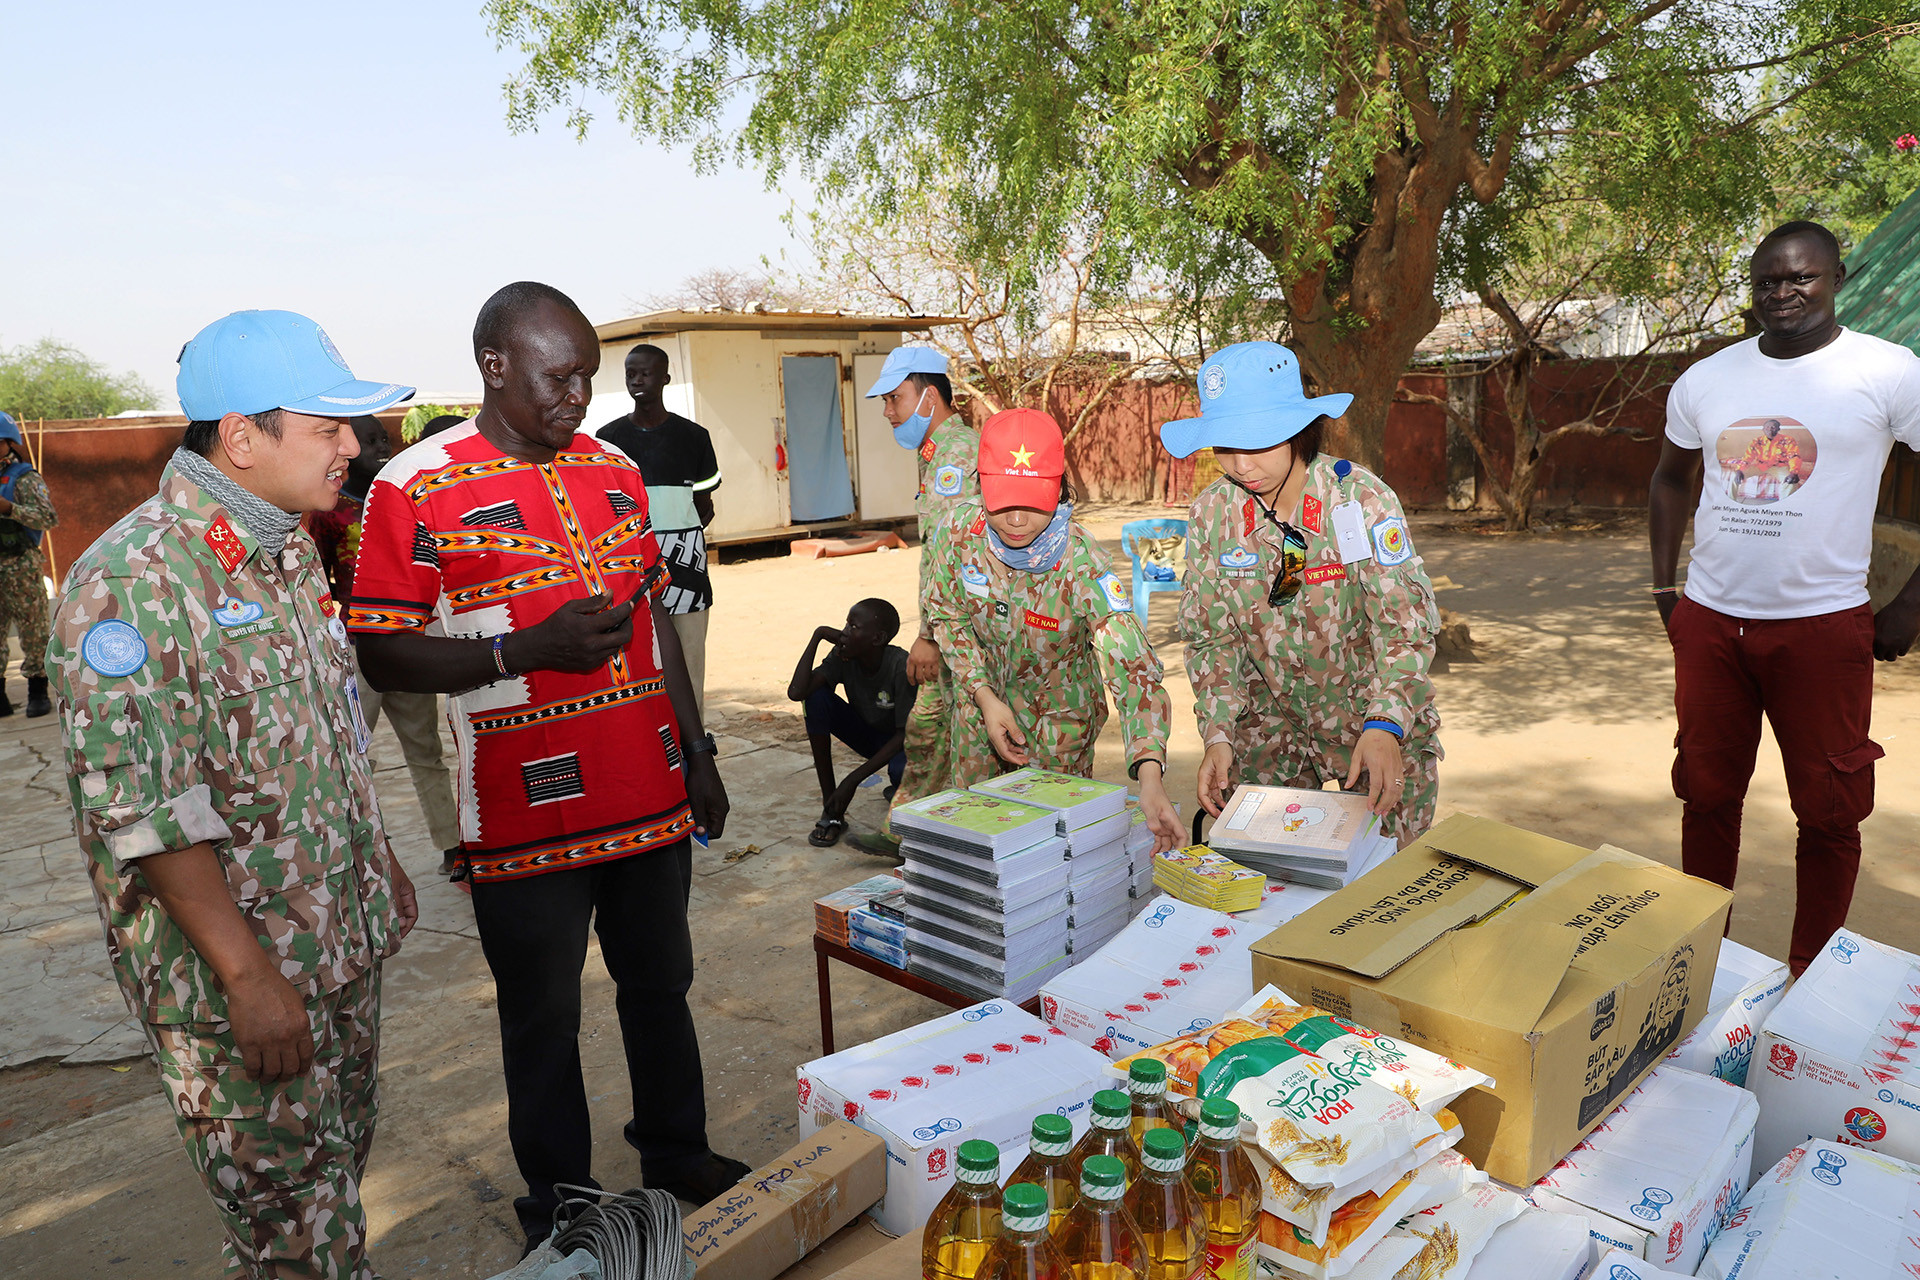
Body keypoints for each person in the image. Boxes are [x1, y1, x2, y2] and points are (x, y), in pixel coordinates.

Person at [349, 281, 748, 1249]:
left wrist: (696, 752)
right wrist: (519, 651)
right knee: (543, 1019)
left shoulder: (612, 465)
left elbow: (652, 613)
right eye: (557, 376)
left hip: (650, 787)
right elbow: (381, 647)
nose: (578, 395)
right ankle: (560, 1200)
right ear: (495, 365)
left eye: (587, 375)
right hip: (522, 814)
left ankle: (675, 1147)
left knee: (662, 982)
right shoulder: (415, 484)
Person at [46, 310, 419, 1278]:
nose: (353, 444)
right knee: (290, 1231)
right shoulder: (134, 581)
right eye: (328, 425)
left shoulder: (282, 548)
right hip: (240, 978)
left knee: (333, 1186)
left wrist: (373, 861)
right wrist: (250, 980)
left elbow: (321, 729)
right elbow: (147, 811)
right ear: (242, 436)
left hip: (333, 940)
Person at [1650, 219, 1920, 976]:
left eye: (1800, 277)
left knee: (1830, 811)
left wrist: (1909, 606)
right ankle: (1699, 962)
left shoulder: (1889, 371)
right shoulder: (1708, 378)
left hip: (1822, 629)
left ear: (1837, 276)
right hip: (1710, 627)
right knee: (1706, 795)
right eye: (1768, 280)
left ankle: (1810, 972)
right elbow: (1670, 479)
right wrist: (1666, 586)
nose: (1783, 292)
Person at [1163, 341, 1443, 844]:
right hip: (1273, 735)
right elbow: (1211, 641)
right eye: (1225, 446)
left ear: (1299, 428)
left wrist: (1387, 724)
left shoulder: (1358, 499)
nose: (1242, 465)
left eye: (1256, 443)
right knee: (1276, 892)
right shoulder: (1214, 514)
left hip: (1375, 731)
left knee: (1388, 887)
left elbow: (1404, 631)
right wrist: (1219, 734)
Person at [923, 407, 1182, 853]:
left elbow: (1134, 671)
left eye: (1032, 503)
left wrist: (1150, 776)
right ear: (980, 485)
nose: (1017, 520)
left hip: (1057, 729)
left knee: (1049, 855)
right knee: (977, 847)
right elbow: (947, 615)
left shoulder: (1081, 564)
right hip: (979, 718)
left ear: (1060, 490)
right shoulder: (959, 534)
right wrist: (984, 697)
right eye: (1003, 501)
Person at [307, 415, 464, 880]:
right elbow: (314, 576)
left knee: (425, 747)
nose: (379, 447)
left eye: (384, 439)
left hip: (406, 645)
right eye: (369, 440)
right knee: (351, 752)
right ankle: (361, 848)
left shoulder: (402, 501)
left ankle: (452, 844)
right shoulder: (328, 512)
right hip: (355, 651)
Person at [858, 345, 978, 854]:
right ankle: (910, 834)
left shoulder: (956, 456)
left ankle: (938, 843)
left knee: (955, 738)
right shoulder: (936, 454)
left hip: (963, 630)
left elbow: (948, 557)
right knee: (929, 731)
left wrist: (929, 635)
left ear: (929, 397)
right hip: (953, 624)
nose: (889, 412)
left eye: (895, 399)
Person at [596, 344, 722, 717]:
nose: (637, 380)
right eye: (630, 373)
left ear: (665, 378)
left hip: (687, 568)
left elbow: (704, 505)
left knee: (689, 658)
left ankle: (694, 748)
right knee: (633, 661)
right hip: (629, 568)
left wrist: (675, 539)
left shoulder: (694, 437)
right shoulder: (608, 439)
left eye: (645, 373)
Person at [787, 597, 915, 847]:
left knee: (900, 771)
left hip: (901, 743)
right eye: (845, 625)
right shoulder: (844, 655)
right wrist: (818, 636)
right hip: (868, 736)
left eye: (853, 628)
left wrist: (852, 780)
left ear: (877, 639)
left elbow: (905, 735)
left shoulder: (900, 665)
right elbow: (797, 692)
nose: (844, 633)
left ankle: (901, 790)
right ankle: (832, 808)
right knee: (815, 698)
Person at [0, 410, 57, 717]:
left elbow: (49, 518)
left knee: (33, 631)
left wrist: (11, 509)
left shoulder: (25, 479)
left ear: (9, 443)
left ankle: (37, 692)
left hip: (21, 565)